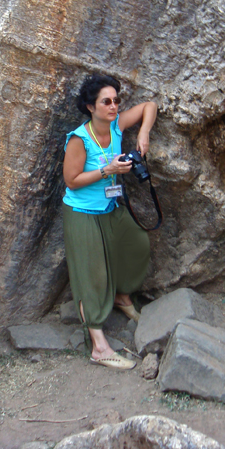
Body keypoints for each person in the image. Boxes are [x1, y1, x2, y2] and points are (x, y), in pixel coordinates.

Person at [62, 74, 157, 370]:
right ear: (91, 106)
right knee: (90, 275)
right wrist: (108, 170)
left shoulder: (116, 125)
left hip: (111, 206)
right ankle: (99, 347)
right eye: (106, 101)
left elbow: (150, 106)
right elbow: (71, 180)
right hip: (82, 212)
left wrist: (143, 134)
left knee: (136, 244)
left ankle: (121, 297)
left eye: (116, 100)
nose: (114, 106)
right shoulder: (79, 139)